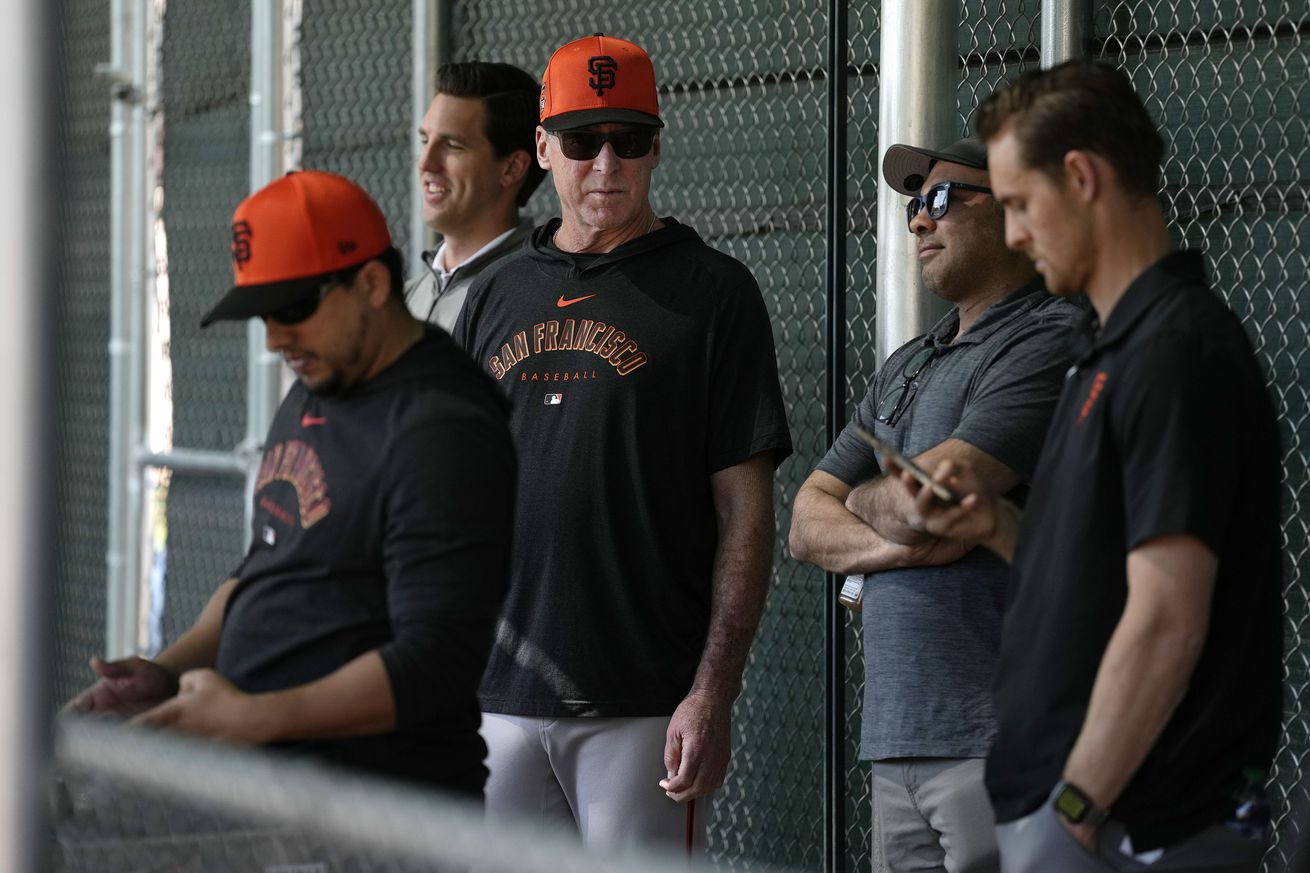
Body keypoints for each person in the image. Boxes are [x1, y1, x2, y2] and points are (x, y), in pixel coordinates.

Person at [901, 61, 1283, 872]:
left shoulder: (1176, 350)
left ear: (1080, 178)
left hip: (1132, 823)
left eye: (1017, 205)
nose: (1012, 234)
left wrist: (1074, 808)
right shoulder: (1106, 346)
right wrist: (998, 526)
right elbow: (1107, 575)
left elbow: (1167, 617)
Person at [68, 170, 517, 799]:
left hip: (373, 811)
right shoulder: (322, 381)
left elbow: (434, 663)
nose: (277, 338)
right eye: (262, 314)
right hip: (274, 785)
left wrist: (253, 716)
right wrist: (167, 674)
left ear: (372, 283)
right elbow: (269, 564)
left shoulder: (440, 424)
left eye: (295, 308)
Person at [453, 33, 793, 852]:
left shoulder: (713, 292)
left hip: (643, 700)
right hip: (495, 694)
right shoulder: (494, 293)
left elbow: (744, 513)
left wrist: (713, 690)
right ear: (541, 150)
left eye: (628, 140)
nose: (606, 164)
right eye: (581, 141)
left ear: (656, 147)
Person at [789, 137, 1080, 872]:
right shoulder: (910, 360)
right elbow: (803, 521)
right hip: (896, 736)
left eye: (944, 200)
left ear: (1015, 213)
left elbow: (937, 495)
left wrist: (871, 501)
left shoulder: (1047, 334)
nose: (919, 220)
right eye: (915, 204)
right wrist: (897, 535)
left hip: (1000, 737)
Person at [406, 61, 546, 332]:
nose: (425, 163)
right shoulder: (405, 300)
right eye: (425, 141)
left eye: (453, 146)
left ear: (512, 168)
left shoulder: (534, 300)